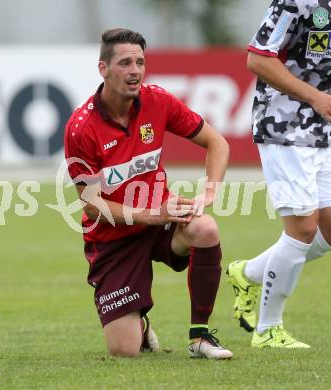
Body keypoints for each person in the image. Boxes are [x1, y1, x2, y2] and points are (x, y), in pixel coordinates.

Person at [64, 28, 233, 359]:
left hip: (161, 222)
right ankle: (139, 326)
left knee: (205, 227)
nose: (135, 71)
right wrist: (151, 214)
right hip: (113, 238)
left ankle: (200, 337)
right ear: (104, 68)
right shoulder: (81, 128)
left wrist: (208, 192)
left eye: (140, 62)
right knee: (124, 352)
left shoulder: (158, 100)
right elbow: (91, 204)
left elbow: (217, 142)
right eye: (125, 63)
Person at [227, 0, 331, 348]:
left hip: (324, 131)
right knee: (302, 228)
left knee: (328, 230)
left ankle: (247, 273)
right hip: (286, 125)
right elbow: (258, 58)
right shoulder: (297, 2)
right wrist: (316, 98)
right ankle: (268, 330)